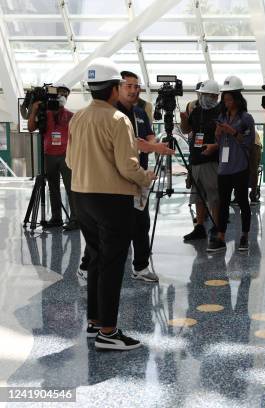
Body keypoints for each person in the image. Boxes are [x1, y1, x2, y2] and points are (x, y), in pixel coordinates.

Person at [67, 57, 156, 351]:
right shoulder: (118, 120)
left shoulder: (78, 117)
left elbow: (69, 160)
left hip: (81, 196)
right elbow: (127, 167)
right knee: (112, 263)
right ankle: (108, 332)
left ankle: (94, 322)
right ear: (114, 88)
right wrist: (146, 177)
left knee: (94, 258)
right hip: (111, 200)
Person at [115, 70, 174, 283]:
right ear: (118, 88)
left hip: (140, 178)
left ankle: (140, 267)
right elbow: (131, 142)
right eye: (128, 86)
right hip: (117, 179)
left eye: (136, 86)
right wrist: (153, 146)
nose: (133, 90)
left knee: (141, 223)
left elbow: (148, 135)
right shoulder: (113, 114)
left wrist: (152, 143)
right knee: (114, 226)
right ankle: (91, 267)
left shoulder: (140, 111)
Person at [208, 76, 255, 252]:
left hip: (240, 166)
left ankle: (244, 235)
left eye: (229, 99)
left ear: (237, 99)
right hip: (224, 167)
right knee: (223, 202)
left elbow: (248, 142)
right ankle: (221, 236)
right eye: (225, 99)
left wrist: (233, 131)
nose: (226, 102)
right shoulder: (222, 116)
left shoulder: (246, 118)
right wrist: (219, 133)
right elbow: (218, 141)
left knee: (243, 202)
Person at [27, 82, 77, 230]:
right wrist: (34, 110)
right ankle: (56, 218)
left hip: (66, 155)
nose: (62, 96)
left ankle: (75, 219)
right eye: (59, 93)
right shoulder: (44, 113)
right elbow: (30, 128)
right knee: (53, 188)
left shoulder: (70, 115)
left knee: (71, 188)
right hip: (49, 155)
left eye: (65, 94)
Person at [180, 80, 222, 242]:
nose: (202, 98)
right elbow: (186, 130)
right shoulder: (197, 110)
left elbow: (226, 138)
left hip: (212, 159)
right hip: (196, 157)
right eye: (201, 95)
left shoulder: (221, 112)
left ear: (215, 96)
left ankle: (216, 226)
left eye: (206, 95)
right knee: (197, 195)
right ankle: (199, 227)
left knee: (214, 195)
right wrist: (184, 119)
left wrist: (215, 146)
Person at [249, 130, 263, 204]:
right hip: (242, 144)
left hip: (254, 144)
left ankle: (253, 195)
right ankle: (238, 195)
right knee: (239, 170)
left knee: (254, 171)